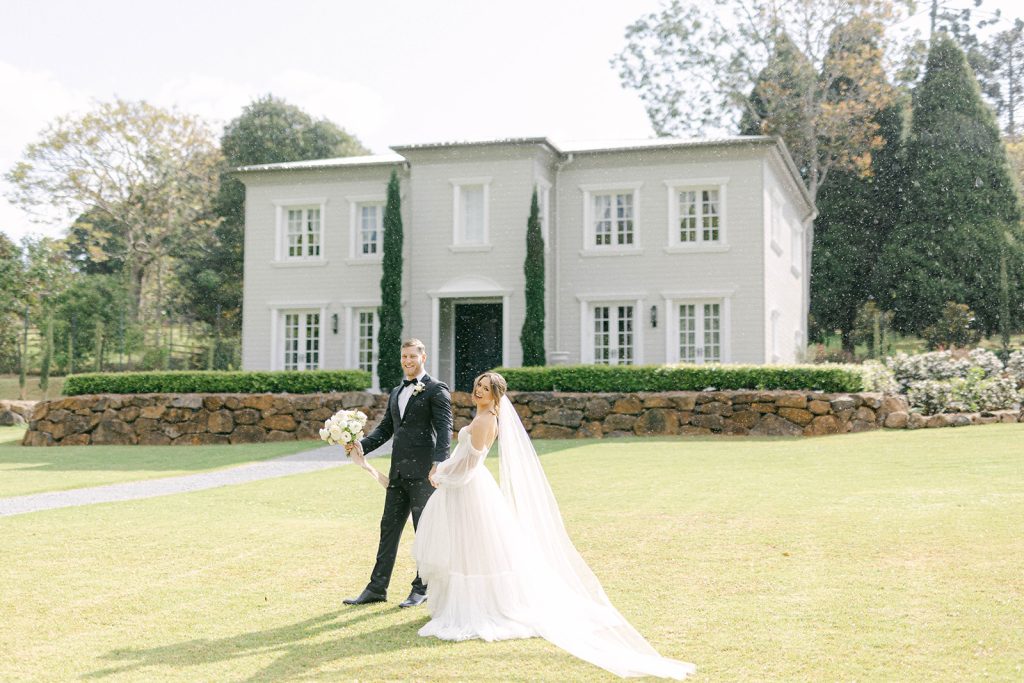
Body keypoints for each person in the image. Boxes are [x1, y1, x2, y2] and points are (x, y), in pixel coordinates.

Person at [412, 371, 695, 679]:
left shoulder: (484, 422)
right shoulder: (483, 418)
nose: (478, 391)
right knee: (470, 545)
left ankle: (478, 605)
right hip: (466, 487)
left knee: (474, 546)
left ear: (496, 396)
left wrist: (443, 474)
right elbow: (464, 458)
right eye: (477, 386)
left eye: (485, 388)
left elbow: (471, 464)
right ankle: (461, 600)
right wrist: (446, 469)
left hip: (469, 488)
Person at [343, 338, 453, 609]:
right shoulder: (396, 392)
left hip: (424, 474)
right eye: (404, 357)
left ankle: (422, 588)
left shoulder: (436, 390)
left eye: (412, 357)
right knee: (388, 530)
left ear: (423, 358)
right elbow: (385, 430)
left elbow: (445, 429)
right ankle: (376, 588)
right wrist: (360, 446)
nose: (407, 361)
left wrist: (439, 463)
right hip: (397, 475)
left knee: (423, 532)